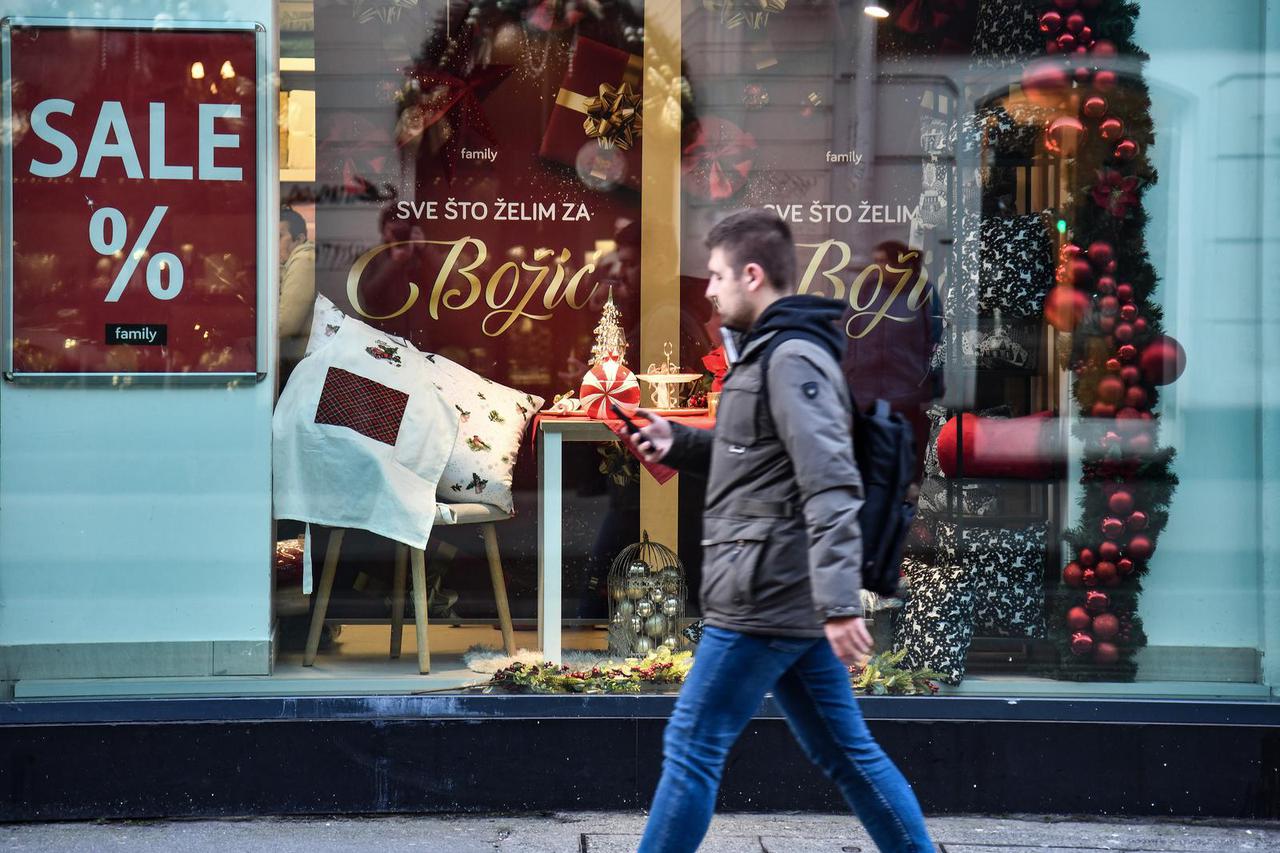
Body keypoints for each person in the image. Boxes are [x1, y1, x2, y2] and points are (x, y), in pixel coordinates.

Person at [630, 209, 934, 853]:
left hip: (765, 595)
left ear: (752, 273)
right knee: (847, 757)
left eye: (715, 277)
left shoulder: (791, 358)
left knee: (692, 744)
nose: (707, 291)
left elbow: (829, 478)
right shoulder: (767, 353)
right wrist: (676, 442)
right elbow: (757, 458)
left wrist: (838, 601)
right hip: (783, 589)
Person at [278, 206, 316, 376]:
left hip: (301, 366)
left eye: (279, 237)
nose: (272, 243)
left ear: (299, 239)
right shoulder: (287, 263)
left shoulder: (304, 259)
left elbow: (284, 324)